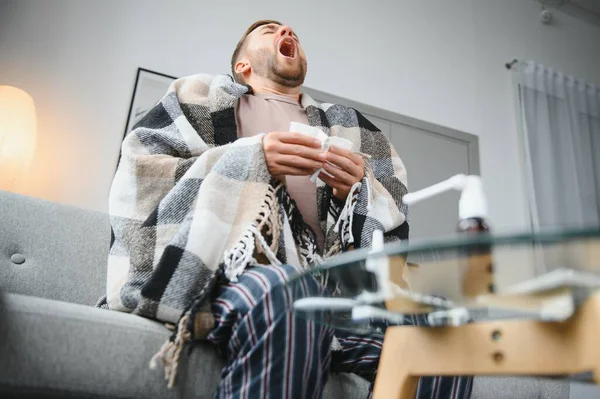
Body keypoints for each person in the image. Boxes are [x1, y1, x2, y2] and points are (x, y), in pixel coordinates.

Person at [103, 19, 473, 398]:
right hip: (228, 276)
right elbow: (144, 171)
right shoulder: (198, 96)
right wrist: (251, 156)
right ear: (242, 64)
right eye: (268, 31)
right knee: (290, 291)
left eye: (291, 31)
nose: (287, 32)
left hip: (334, 294)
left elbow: (393, 213)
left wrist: (357, 193)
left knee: (443, 325)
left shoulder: (350, 127)